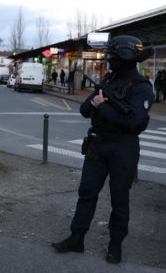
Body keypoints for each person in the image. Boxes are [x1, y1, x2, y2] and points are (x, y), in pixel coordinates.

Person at [52, 35, 154, 264]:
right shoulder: (109, 80)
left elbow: (133, 121)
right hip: (98, 145)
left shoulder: (141, 88)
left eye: (114, 57)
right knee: (86, 193)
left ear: (126, 58)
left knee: (119, 199)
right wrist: (98, 102)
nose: (110, 61)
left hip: (123, 148)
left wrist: (103, 107)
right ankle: (77, 237)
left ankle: (115, 246)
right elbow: (85, 110)